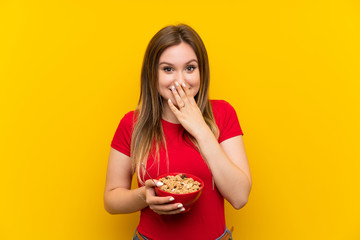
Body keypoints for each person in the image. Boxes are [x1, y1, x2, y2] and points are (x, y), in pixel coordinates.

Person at [104, 24, 252, 240]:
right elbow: (111, 199)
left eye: (190, 68)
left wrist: (200, 128)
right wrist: (144, 196)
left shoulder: (223, 114)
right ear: (152, 75)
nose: (180, 80)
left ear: (202, 71)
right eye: (168, 69)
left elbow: (239, 197)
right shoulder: (132, 124)